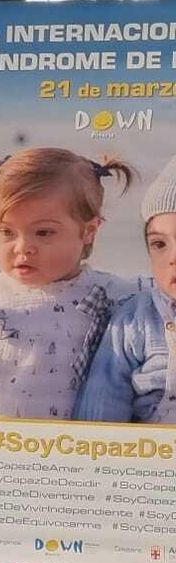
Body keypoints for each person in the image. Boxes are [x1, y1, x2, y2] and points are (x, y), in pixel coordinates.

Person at [0, 148, 141, 419]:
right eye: (7, 232)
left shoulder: (115, 297)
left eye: (43, 232)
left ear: (88, 231)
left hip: (73, 443)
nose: (22, 247)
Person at [75, 157, 176, 424]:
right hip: (148, 446)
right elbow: (104, 396)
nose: (172, 258)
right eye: (159, 244)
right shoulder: (136, 319)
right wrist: (96, 442)